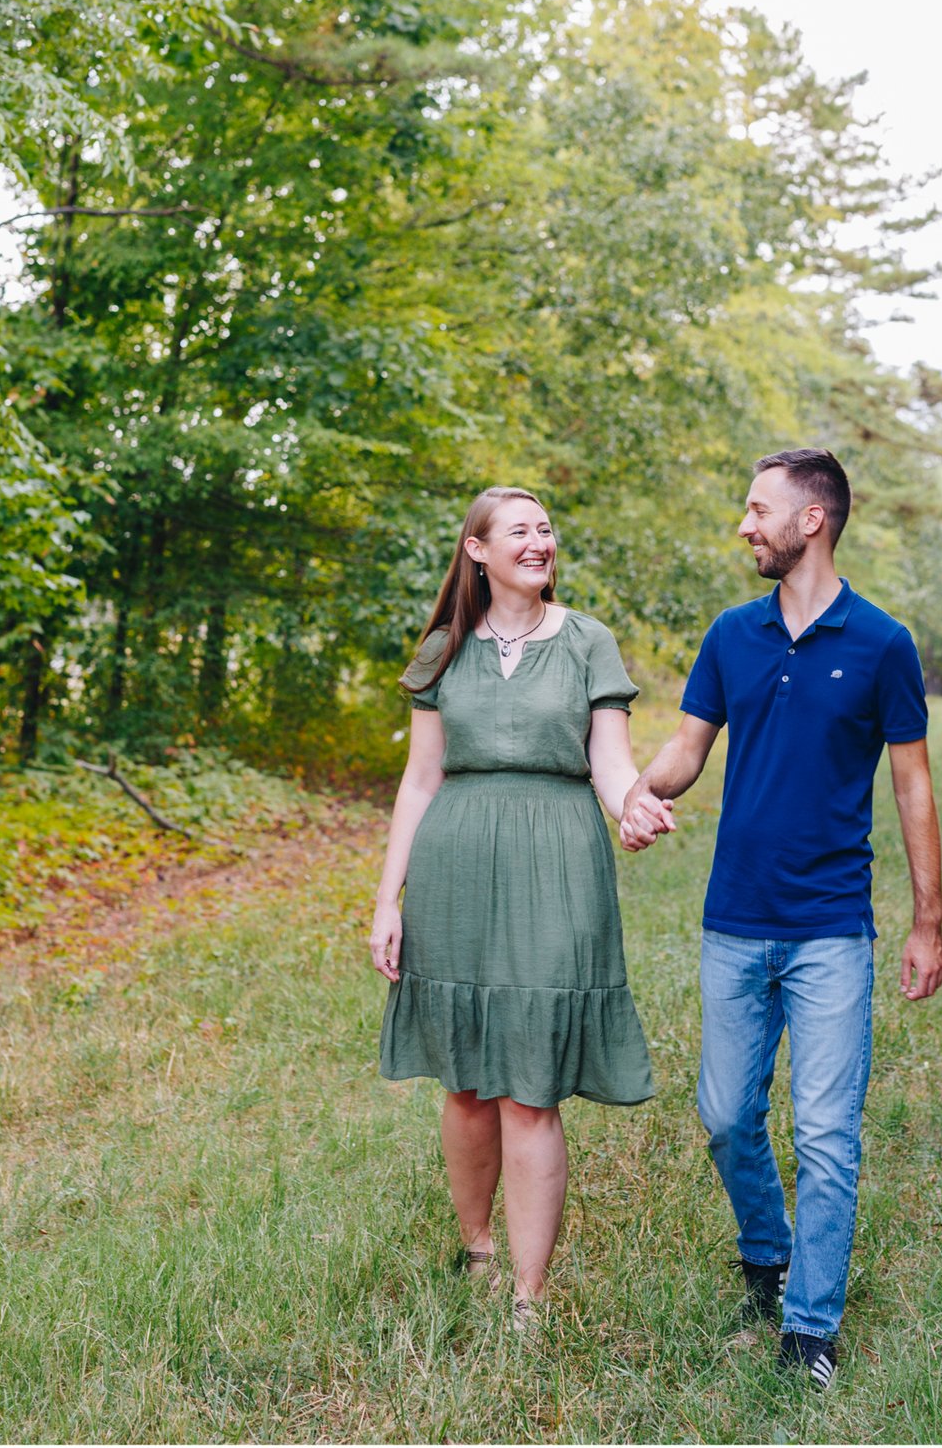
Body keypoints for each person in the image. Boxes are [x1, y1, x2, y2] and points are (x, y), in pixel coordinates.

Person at [616, 447, 942, 1391]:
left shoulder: (883, 642)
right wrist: (640, 792)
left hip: (833, 926)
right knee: (726, 1115)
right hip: (735, 919)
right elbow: (687, 749)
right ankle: (768, 1246)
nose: (744, 525)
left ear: (813, 520)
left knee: (828, 1132)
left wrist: (927, 924)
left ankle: (810, 1324)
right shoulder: (732, 635)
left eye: (758, 509)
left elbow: (913, 784)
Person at [371, 486, 658, 1328]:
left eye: (545, 529)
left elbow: (609, 762)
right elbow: (421, 780)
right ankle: (479, 1252)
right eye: (519, 531)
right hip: (454, 863)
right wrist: (389, 898)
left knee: (529, 1084)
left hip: (557, 861)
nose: (539, 542)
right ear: (478, 550)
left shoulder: (586, 642)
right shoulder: (442, 650)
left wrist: (631, 804)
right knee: (464, 1080)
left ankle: (529, 1297)